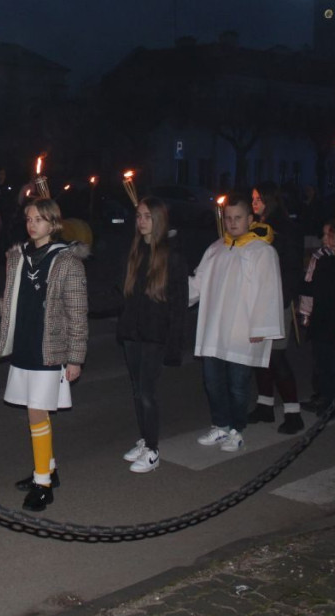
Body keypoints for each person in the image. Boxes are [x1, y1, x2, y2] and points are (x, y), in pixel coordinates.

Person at [0, 197, 89, 512]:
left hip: (48, 348)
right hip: (23, 344)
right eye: (28, 218)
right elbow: (10, 304)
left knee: (37, 413)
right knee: (37, 413)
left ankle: (43, 484)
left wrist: (75, 358)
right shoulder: (18, 257)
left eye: (38, 219)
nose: (31, 224)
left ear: (53, 223)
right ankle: (48, 469)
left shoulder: (66, 261)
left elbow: (77, 314)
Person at [189, 194, 284, 453]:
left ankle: (236, 429)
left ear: (250, 219)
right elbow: (197, 282)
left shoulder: (261, 251)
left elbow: (268, 292)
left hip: (242, 330)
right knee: (212, 381)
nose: (232, 223)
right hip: (213, 328)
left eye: (238, 218)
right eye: (228, 218)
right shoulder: (216, 248)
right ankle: (220, 424)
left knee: (238, 384)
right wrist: (172, 297)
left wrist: (260, 328)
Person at [117, 197, 188, 474]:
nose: (141, 221)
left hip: (155, 336)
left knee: (147, 393)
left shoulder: (173, 257)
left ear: (159, 220)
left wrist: (174, 345)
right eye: (138, 216)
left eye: (147, 216)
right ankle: (145, 438)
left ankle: (153, 449)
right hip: (133, 334)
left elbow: (179, 305)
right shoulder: (135, 252)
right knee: (137, 391)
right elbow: (123, 295)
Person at [249, 182, 305, 434]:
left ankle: (293, 412)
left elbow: (291, 267)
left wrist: (283, 298)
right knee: (261, 358)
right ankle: (265, 404)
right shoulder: (257, 226)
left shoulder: (284, 229)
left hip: (277, 299)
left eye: (258, 198)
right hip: (259, 299)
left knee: (276, 356)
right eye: (253, 198)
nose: (254, 203)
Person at [299, 219, 335, 410]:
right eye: (332, 237)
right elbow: (317, 288)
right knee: (321, 364)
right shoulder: (325, 259)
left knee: (333, 366)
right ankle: (325, 399)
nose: (333, 241)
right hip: (321, 319)